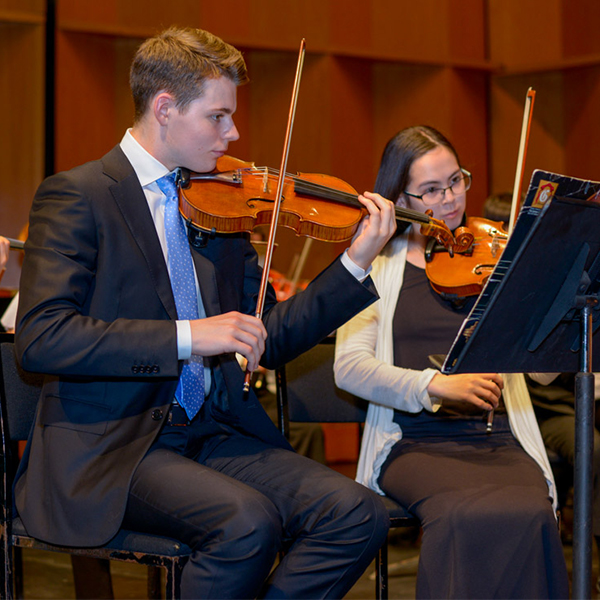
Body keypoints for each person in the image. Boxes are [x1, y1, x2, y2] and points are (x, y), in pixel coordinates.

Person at [13, 27, 396, 599]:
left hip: (214, 434)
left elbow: (270, 336)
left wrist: (354, 265)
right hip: (114, 446)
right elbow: (42, 338)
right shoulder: (78, 196)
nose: (233, 132)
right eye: (218, 116)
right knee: (246, 523)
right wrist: (189, 336)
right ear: (164, 108)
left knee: (357, 512)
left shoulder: (218, 203)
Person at [334, 125, 569, 599]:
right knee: (462, 512)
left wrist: (537, 297)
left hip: (498, 437)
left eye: (456, 181)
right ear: (400, 196)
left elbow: (546, 372)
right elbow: (348, 367)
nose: (450, 199)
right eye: (431, 190)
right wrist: (433, 386)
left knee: (534, 511)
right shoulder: (375, 264)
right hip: (414, 441)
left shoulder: (495, 257)